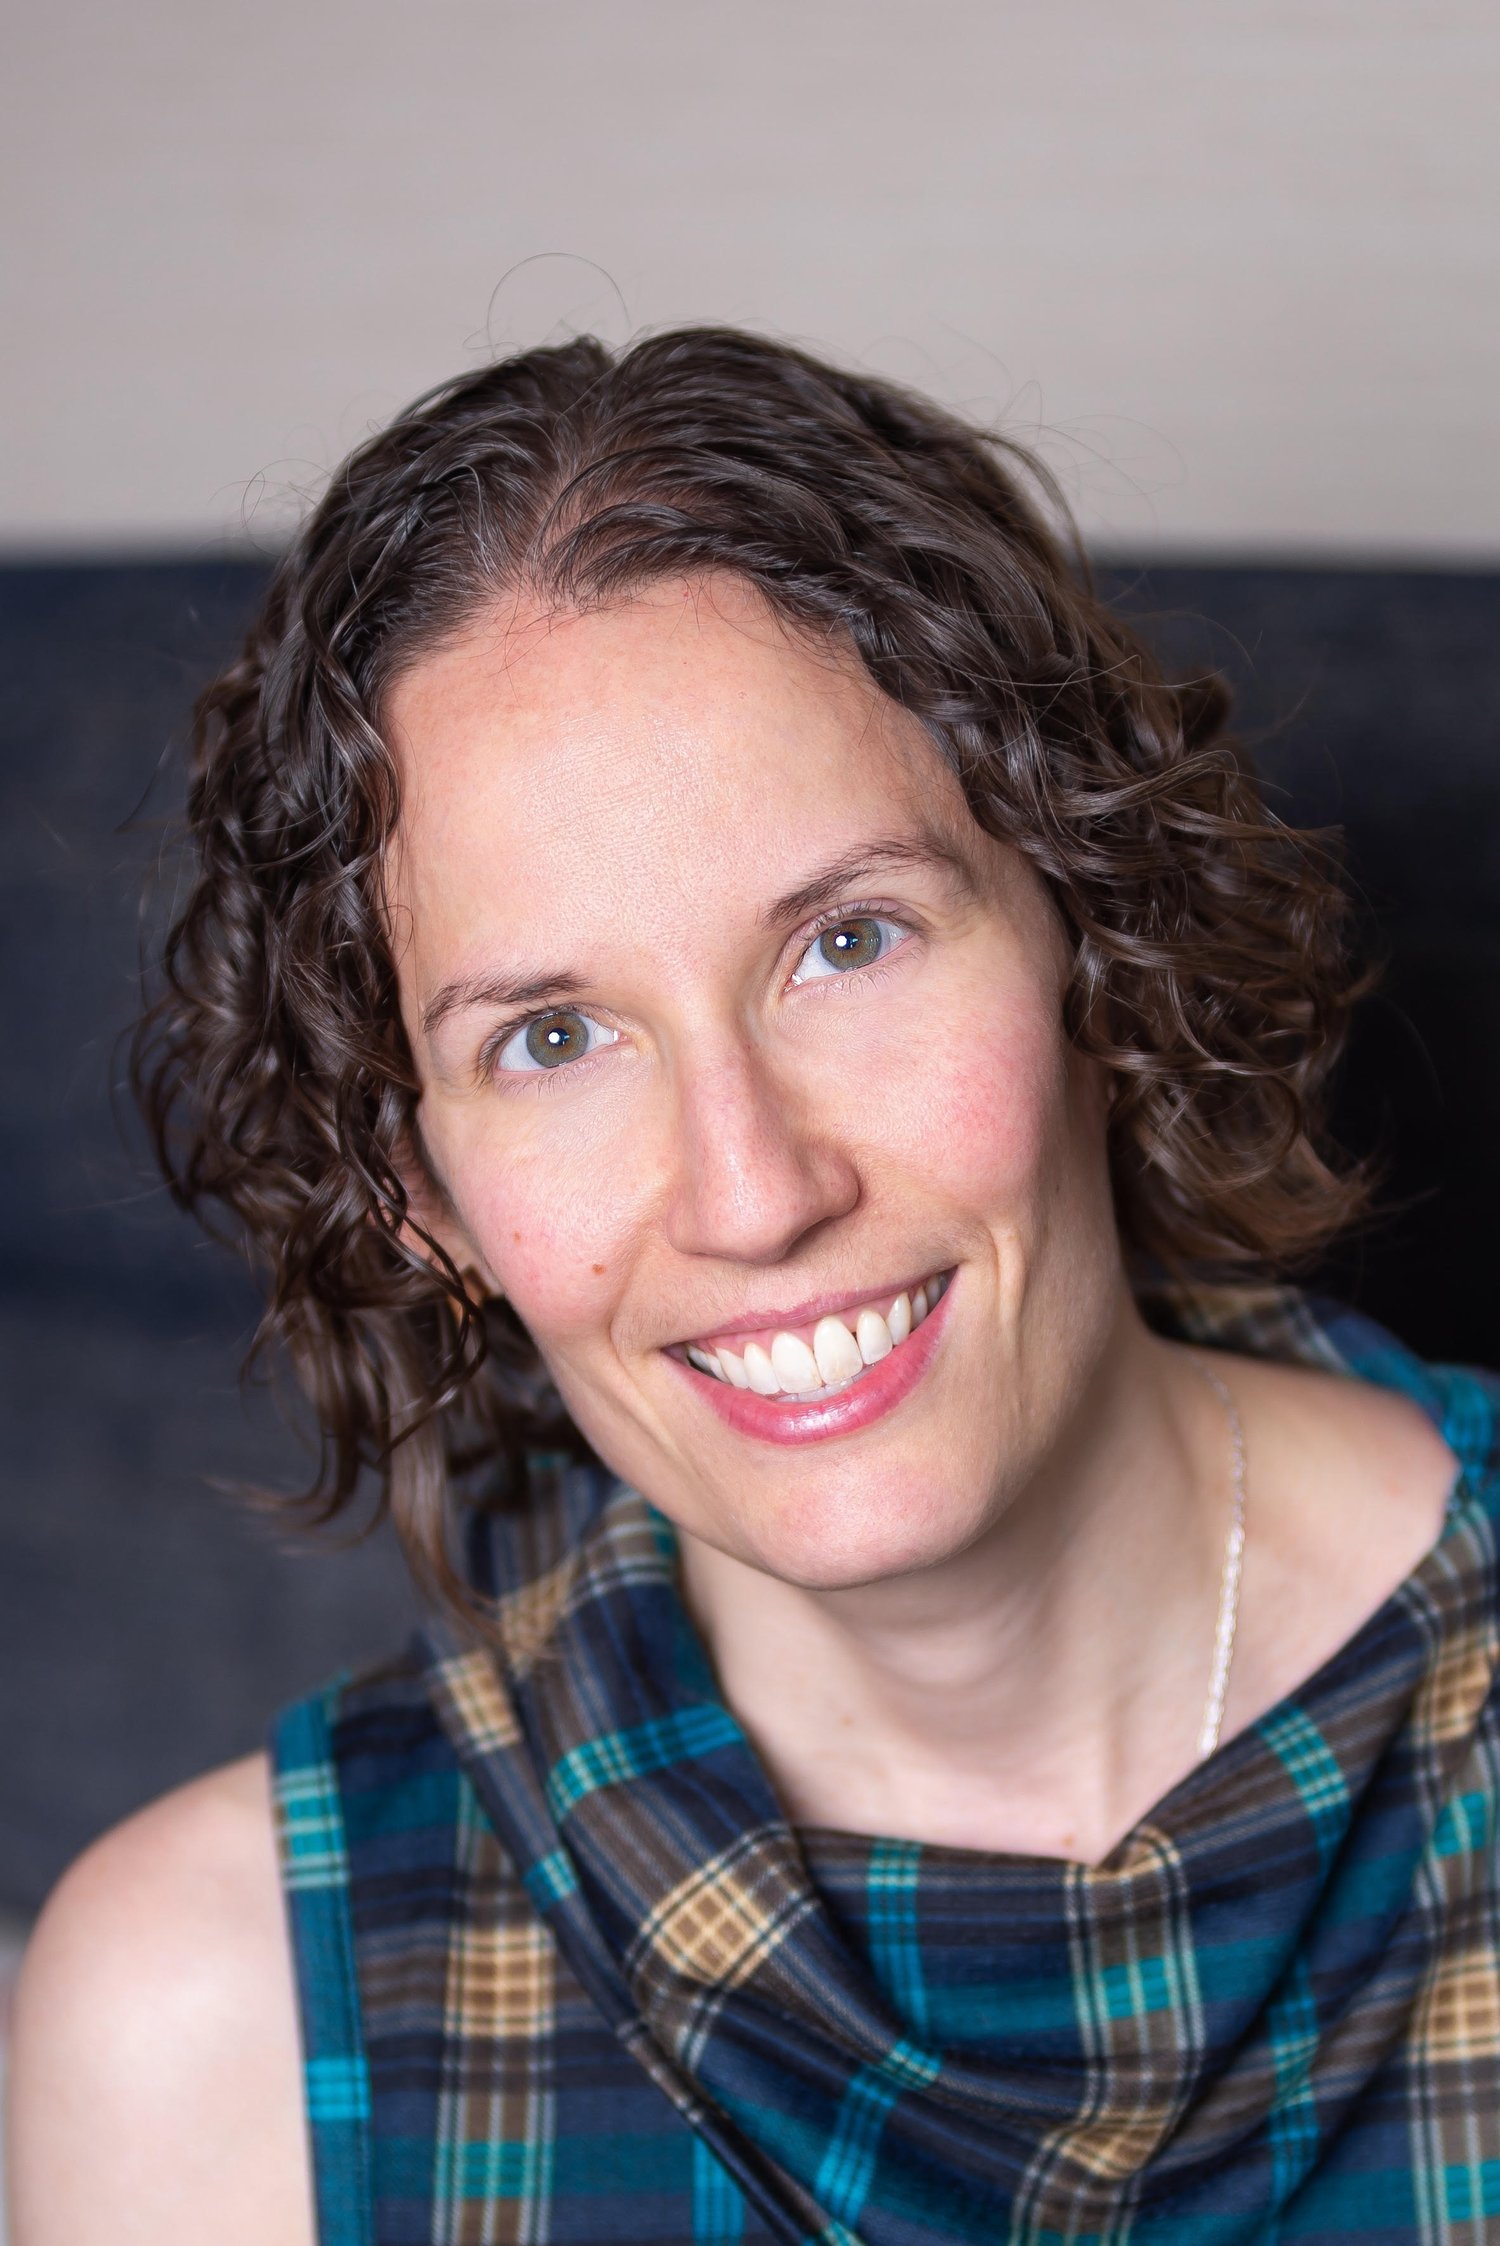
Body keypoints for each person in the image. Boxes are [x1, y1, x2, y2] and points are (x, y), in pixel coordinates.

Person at [8, 326, 1496, 2246]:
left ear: (1093, 936)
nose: (753, 1188)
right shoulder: (219, 2025)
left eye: (850, 940)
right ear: (416, 1186)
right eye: (552, 1039)